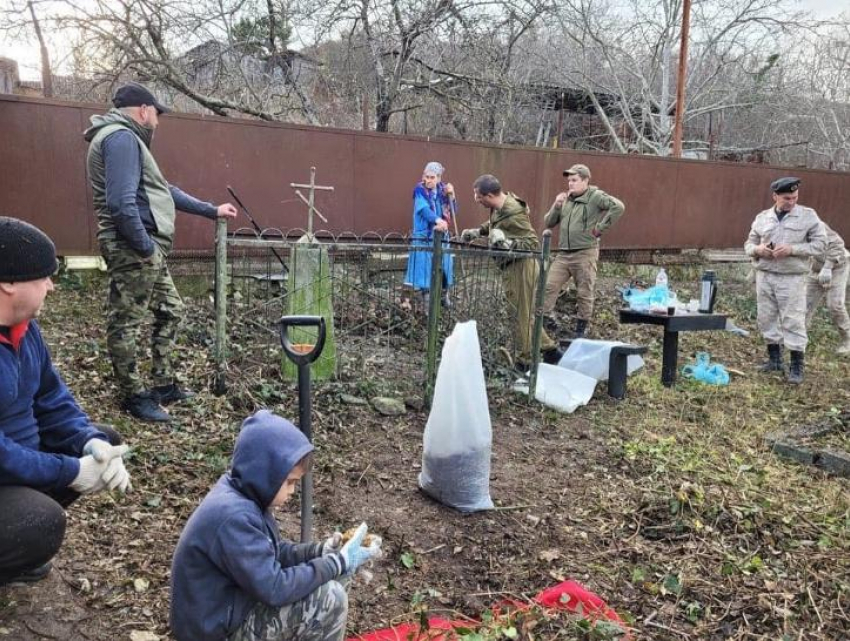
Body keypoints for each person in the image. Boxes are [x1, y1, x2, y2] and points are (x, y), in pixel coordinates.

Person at [84, 82, 238, 423]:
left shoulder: (128, 140)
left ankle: (163, 384)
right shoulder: (121, 139)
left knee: (171, 310)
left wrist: (211, 210)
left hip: (142, 248)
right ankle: (134, 396)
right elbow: (120, 205)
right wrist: (144, 246)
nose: (158, 120)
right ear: (143, 110)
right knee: (125, 322)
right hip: (133, 247)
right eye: (157, 113)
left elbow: (162, 189)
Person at [170, 410, 382, 641]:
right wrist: (336, 562)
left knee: (335, 577)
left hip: (232, 609)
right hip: (215, 632)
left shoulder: (247, 496)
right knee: (330, 597)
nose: (292, 491)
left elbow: (275, 553)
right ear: (265, 473)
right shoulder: (234, 518)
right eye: (290, 482)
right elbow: (275, 587)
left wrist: (321, 551)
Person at [0, 217, 132, 587]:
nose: (51, 286)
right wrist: (69, 471)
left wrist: (87, 442)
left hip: (14, 469)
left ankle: (17, 543)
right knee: (40, 523)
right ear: (8, 283)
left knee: (105, 438)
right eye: (42, 276)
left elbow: (51, 398)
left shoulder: (24, 330)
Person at [461, 175, 563, 369]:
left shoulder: (514, 212)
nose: (476, 199)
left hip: (522, 266)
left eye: (478, 196)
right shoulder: (499, 207)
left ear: (490, 195)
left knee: (518, 315)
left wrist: (508, 243)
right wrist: (479, 231)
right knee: (523, 314)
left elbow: (532, 243)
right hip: (513, 265)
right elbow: (496, 224)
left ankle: (524, 362)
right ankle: (550, 351)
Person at [744, 177, 827, 384]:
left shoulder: (808, 216)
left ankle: (797, 365)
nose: (791, 201)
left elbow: (821, 245)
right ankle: (775, 360)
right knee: (766, 317)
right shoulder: (763, 218)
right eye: (786, 198)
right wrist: (757, 250)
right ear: (775, 197)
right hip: (765, 274)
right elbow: (749, 243)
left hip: (792, 277)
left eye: (794, 197)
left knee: (793, 320)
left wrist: (793, 250)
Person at [543, 164, 624, 339]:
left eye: (574, 180)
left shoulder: (595, 197)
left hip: (585, 252)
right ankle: (544, 321)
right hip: (564, 254)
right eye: (569, 180)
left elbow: (618, 206)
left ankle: (581, 329)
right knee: (548, 286)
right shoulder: (566, 199)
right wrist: (556, 205)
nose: (570, 184)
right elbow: (548, 223)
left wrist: (600, 228)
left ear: (586, 180)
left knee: (584, 291)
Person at [404, 161, 455, 308]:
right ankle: (427, 303)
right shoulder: (420, 191)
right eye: (426, 176)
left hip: (441, 236)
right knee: (423, 269)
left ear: (439, 178)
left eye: (432, 177)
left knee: (446, 265)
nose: (428, 180)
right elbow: (424, 210)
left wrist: (452, 195)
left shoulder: (443, 191)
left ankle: (444, 296)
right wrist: (438, 220)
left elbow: (453, 210)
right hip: (424, 237)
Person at [806, 222, 850, 355]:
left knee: (835, 305)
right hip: (815, 267)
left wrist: (828, 267)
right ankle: (799, 339)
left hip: (837, 265)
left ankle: (847, 340)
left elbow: (837, 244)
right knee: (804, 306)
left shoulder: (812, 223)